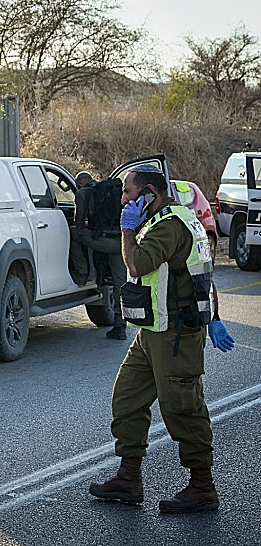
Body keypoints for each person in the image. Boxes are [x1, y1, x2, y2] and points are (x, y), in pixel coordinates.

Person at [88, 164, 235, 514]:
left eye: (129, 193)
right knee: (127, 398)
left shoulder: (169, 226)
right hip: (153, 332)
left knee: (183, 410)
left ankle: (202, 487)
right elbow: (197, 274)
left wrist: (127, 230)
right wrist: (214, 317)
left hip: (176, 336)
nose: (124, 199)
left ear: (151, 193)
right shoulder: (170, 218)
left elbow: (137, 265)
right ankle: (128, 478)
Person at [68, 171, 128, 340]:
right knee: (119, 284)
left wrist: (86, 224)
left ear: (80, 184)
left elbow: (78, 224)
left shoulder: (82, 193)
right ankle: (120, 325)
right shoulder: (109, 191)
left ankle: (81, 274)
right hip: (120, 241)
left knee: (73, 233)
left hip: (103, 241)